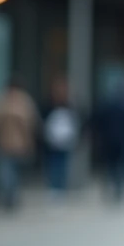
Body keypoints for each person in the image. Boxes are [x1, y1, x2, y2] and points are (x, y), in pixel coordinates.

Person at [91, 77, 124, 204]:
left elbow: (96, 121)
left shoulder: (106, 105)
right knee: (122, 166)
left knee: (111, 166)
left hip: (108, 141)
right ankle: (119, 188)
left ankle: (112, 187)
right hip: (123, 142)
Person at [0, 75, 39, 212]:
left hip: (9, 143)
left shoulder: (4, 100)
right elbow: (31, 123)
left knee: (9, 171)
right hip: (14, 143)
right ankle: (10, 197)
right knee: (10, 171)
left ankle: (9, 196)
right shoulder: (23, 101)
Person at [40, 76, 81, 206]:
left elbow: (77, 121)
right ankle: (54, 189)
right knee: (53, 165)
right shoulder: (49, 105)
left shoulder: (71, 105)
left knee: (62, 166)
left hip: (65, 141)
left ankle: (60, 190)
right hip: (52, 141)